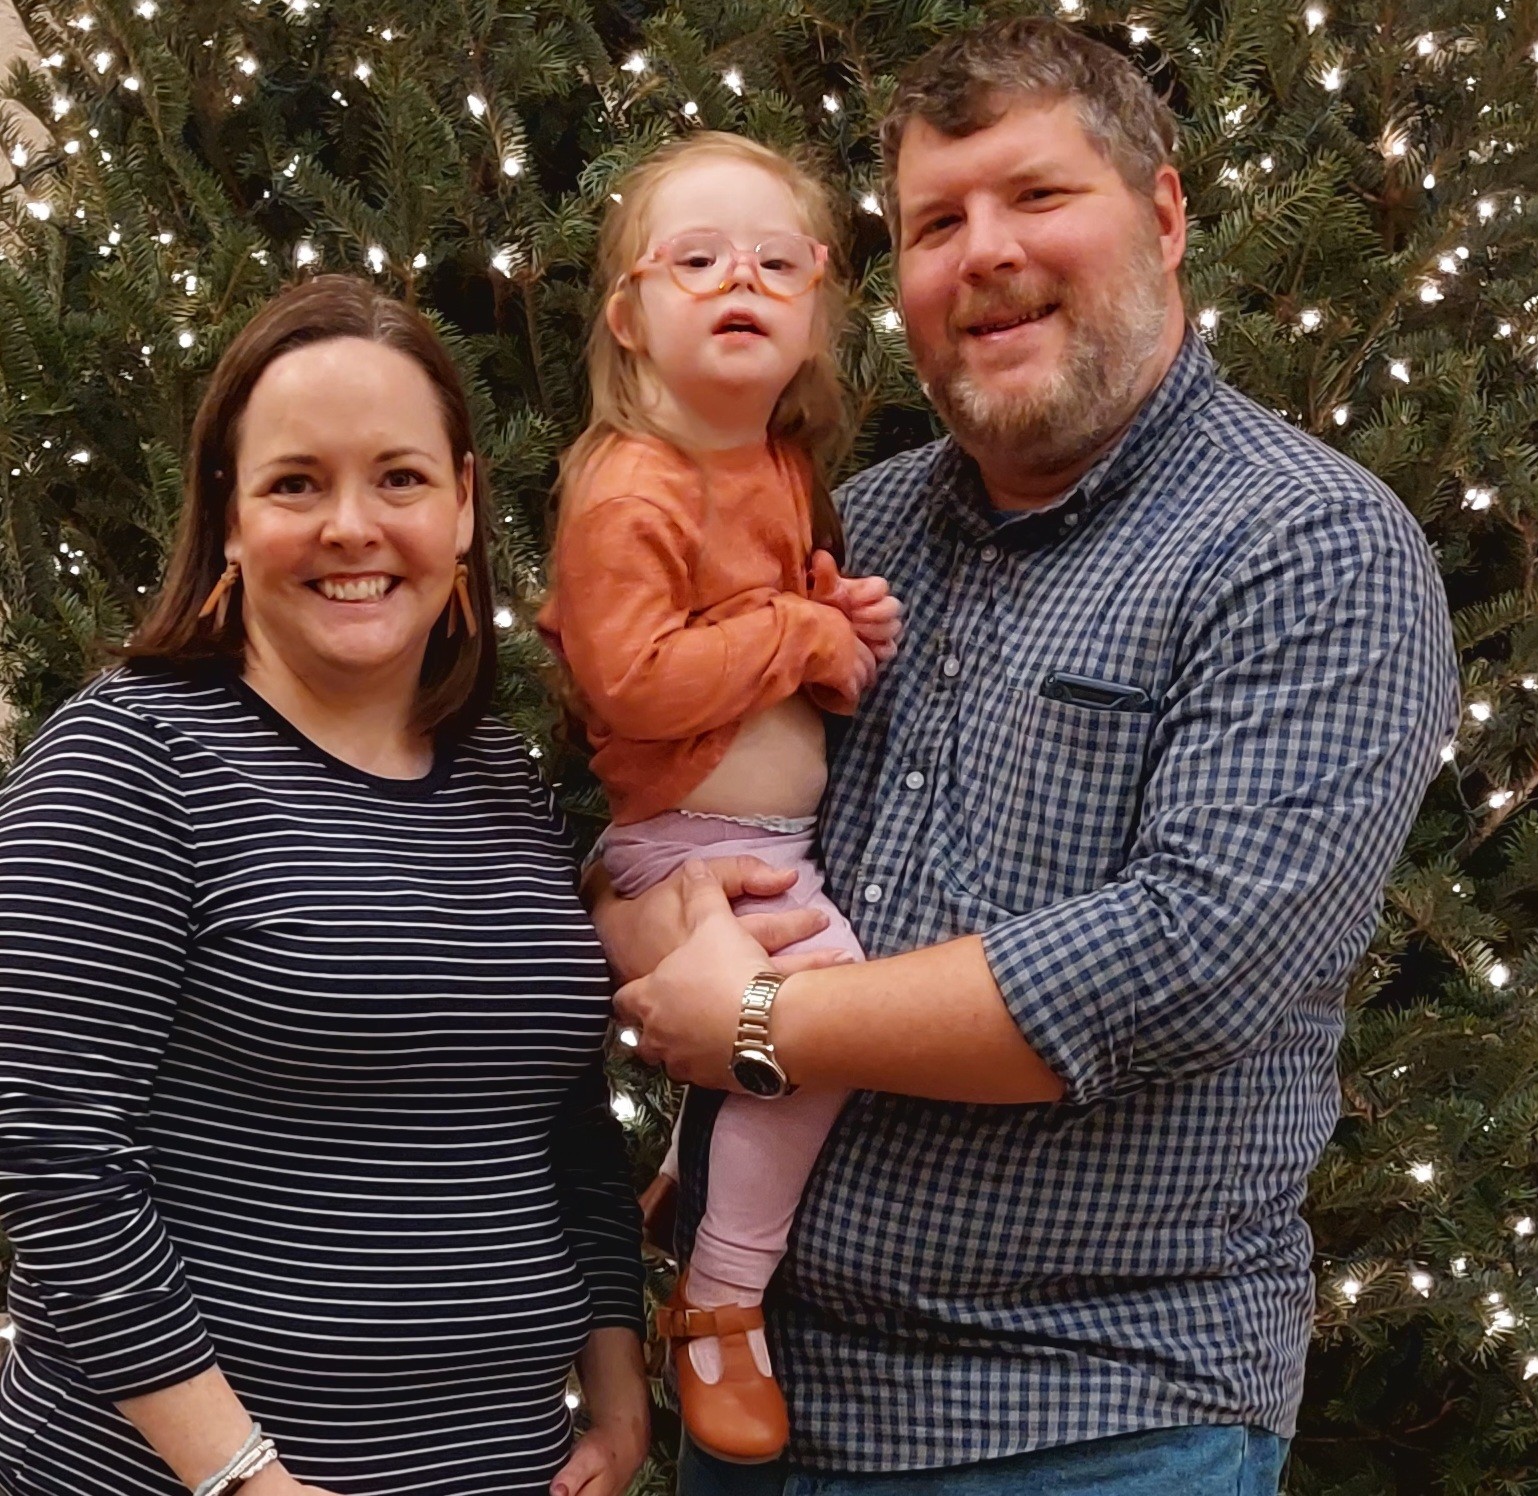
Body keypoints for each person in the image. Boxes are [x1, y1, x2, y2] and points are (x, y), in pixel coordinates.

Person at [593, 18, 1462, 1496]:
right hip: (765, 1405)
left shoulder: (1306, 545)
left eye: (1036, 196)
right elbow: (676, 796)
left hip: (1085, 1421)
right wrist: (649, 923)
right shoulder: (856, 527)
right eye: (934, 223)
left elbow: (1186, 953)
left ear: (1164, 215)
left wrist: (760, 1020)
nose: (982, 252)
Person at [0, 276, 647, 1496]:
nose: (352, 526)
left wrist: (617, 1385)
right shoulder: (127, 759)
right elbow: (57, 1155)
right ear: (227, 516)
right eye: (296, 483)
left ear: (463, 504)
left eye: (399, 478)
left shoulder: (499, 773)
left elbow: (565, 1120)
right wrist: (245, 1476)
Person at [536, 133, 901, 1465]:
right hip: (688, 846)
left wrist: (841, 612)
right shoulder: (627, 483)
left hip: (768, 839)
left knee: (804, 1020)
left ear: (815, 306)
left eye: (773, 261)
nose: (738, 280)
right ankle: (721, 1298)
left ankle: (694, 1179)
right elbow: (631, 680)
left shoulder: (783, 466)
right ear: (630, 318)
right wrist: (801, 636)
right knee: (819, 1015)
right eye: (696, 260)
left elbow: (779, 619)